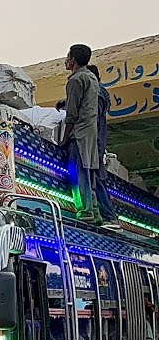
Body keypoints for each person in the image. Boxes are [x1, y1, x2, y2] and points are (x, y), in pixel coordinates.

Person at [61, 44, 103, 224]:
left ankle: (84, 212)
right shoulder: (92, 77)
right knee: (90, 170)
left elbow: (72, 113)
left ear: (74, 60)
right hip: (91, 132)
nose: (66, 59)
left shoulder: (75, 80)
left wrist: (65, 137)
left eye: (69, 56)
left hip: (78, 134)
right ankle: (94, 211)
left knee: (77, 173)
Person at [85, 64, 119, 226]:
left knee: (96, 179)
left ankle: (109, 216)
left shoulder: (96, 93)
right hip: (96, 142)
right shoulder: (100, 92)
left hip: (93, 142)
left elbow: (93, 118)